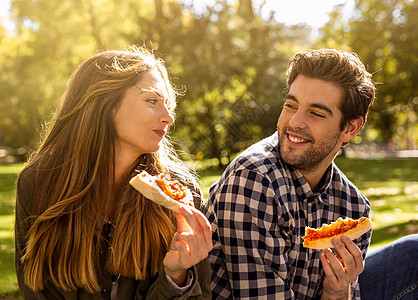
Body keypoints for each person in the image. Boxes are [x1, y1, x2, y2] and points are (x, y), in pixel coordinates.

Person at [15, 46, 212, 299]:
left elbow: (202, 295)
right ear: (104, 104)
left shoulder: (179, 193)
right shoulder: (38, 183)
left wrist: (176, 276)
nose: (168, 117)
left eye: (169, 106)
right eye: (152, 101)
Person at [204, 49, 375, 299]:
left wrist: (337, 291)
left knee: (411, 254)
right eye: (291, 105)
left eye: (316, 113)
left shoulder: (354, 207)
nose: (295, 122)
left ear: (349, 128)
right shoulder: (253, 178)